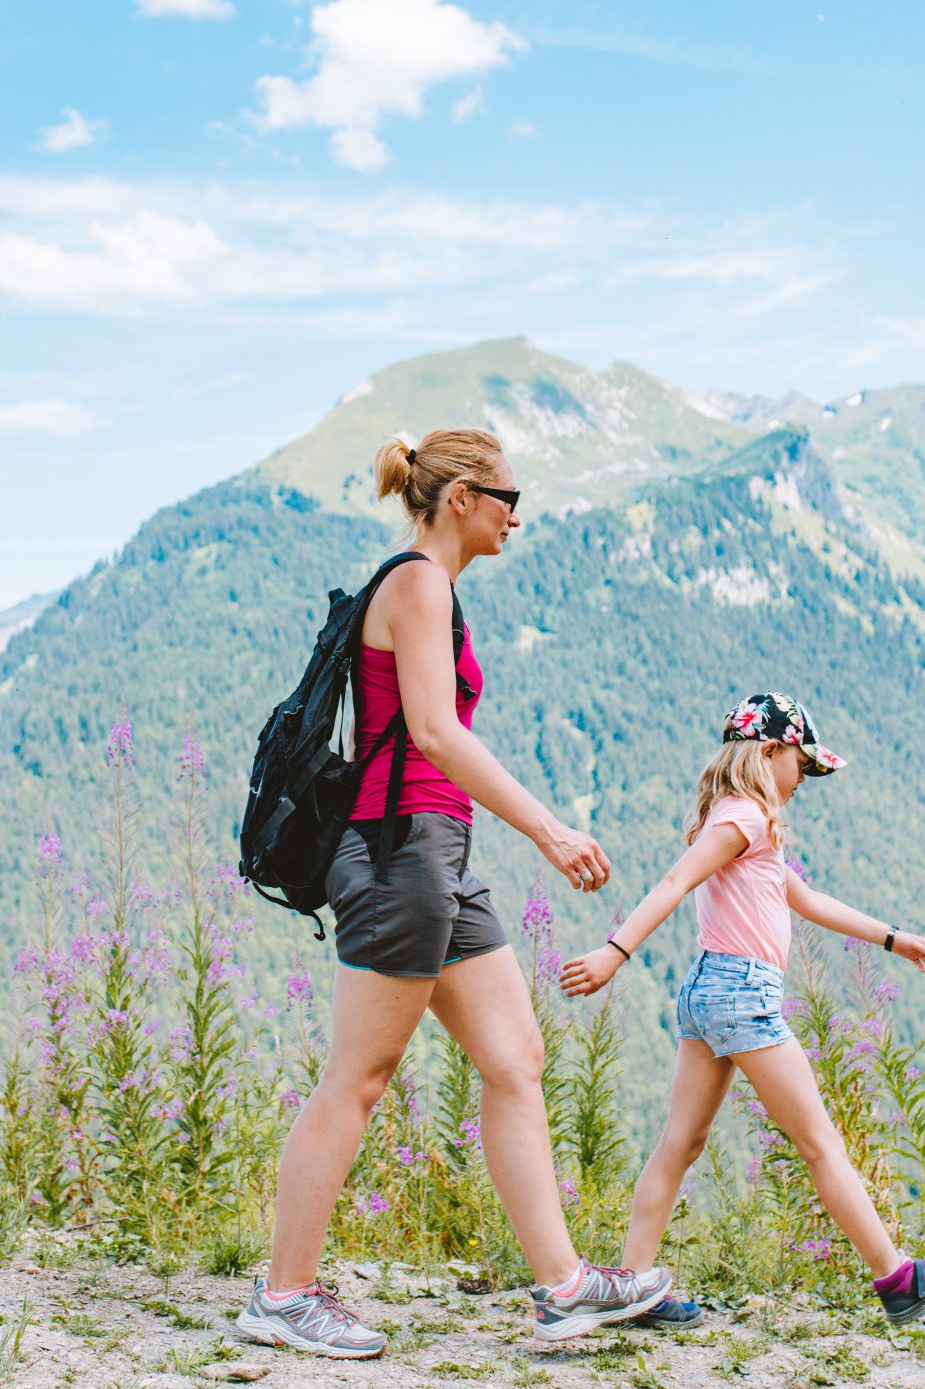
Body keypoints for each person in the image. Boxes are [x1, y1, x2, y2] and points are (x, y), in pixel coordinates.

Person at [237, 429, 671, 1357]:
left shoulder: (429, 589)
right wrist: (551, 829)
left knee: (514, 1060)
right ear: (464, 496)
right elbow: (435, 731)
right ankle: (283, 1297)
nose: (520, 515)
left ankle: (564, 1287)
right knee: (359, 1077)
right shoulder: (420, 583)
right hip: (401, 853)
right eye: (511, 497)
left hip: (436, 856)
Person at [561, 693, 925, 1328]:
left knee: (680, 1142)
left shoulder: (742, 819)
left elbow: (807, 900)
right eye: (802, 765)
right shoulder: (746, 818)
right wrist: (614, 954)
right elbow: (675, 882)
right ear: (770, 751)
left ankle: (635, 1286)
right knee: (820, 1145)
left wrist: (894, 939)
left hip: (707, 993)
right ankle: (898, 1280)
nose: (804, 780)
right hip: (741, 994)